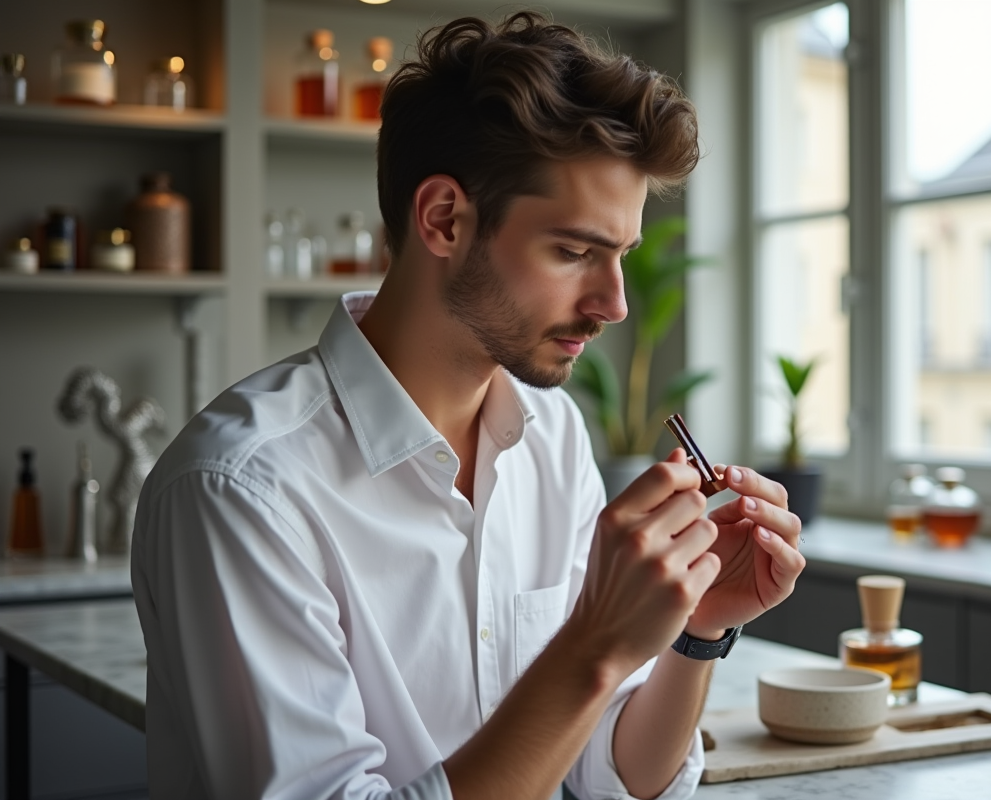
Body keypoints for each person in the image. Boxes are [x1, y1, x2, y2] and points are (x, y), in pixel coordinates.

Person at [131, 11, 804, 800]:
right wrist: (593, 645)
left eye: (619, 256)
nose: (615, 303)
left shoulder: (550, 434)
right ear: (445, 219)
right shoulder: (241, 491)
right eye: (574, 251)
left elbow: (609, 777)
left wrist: (698, 630)